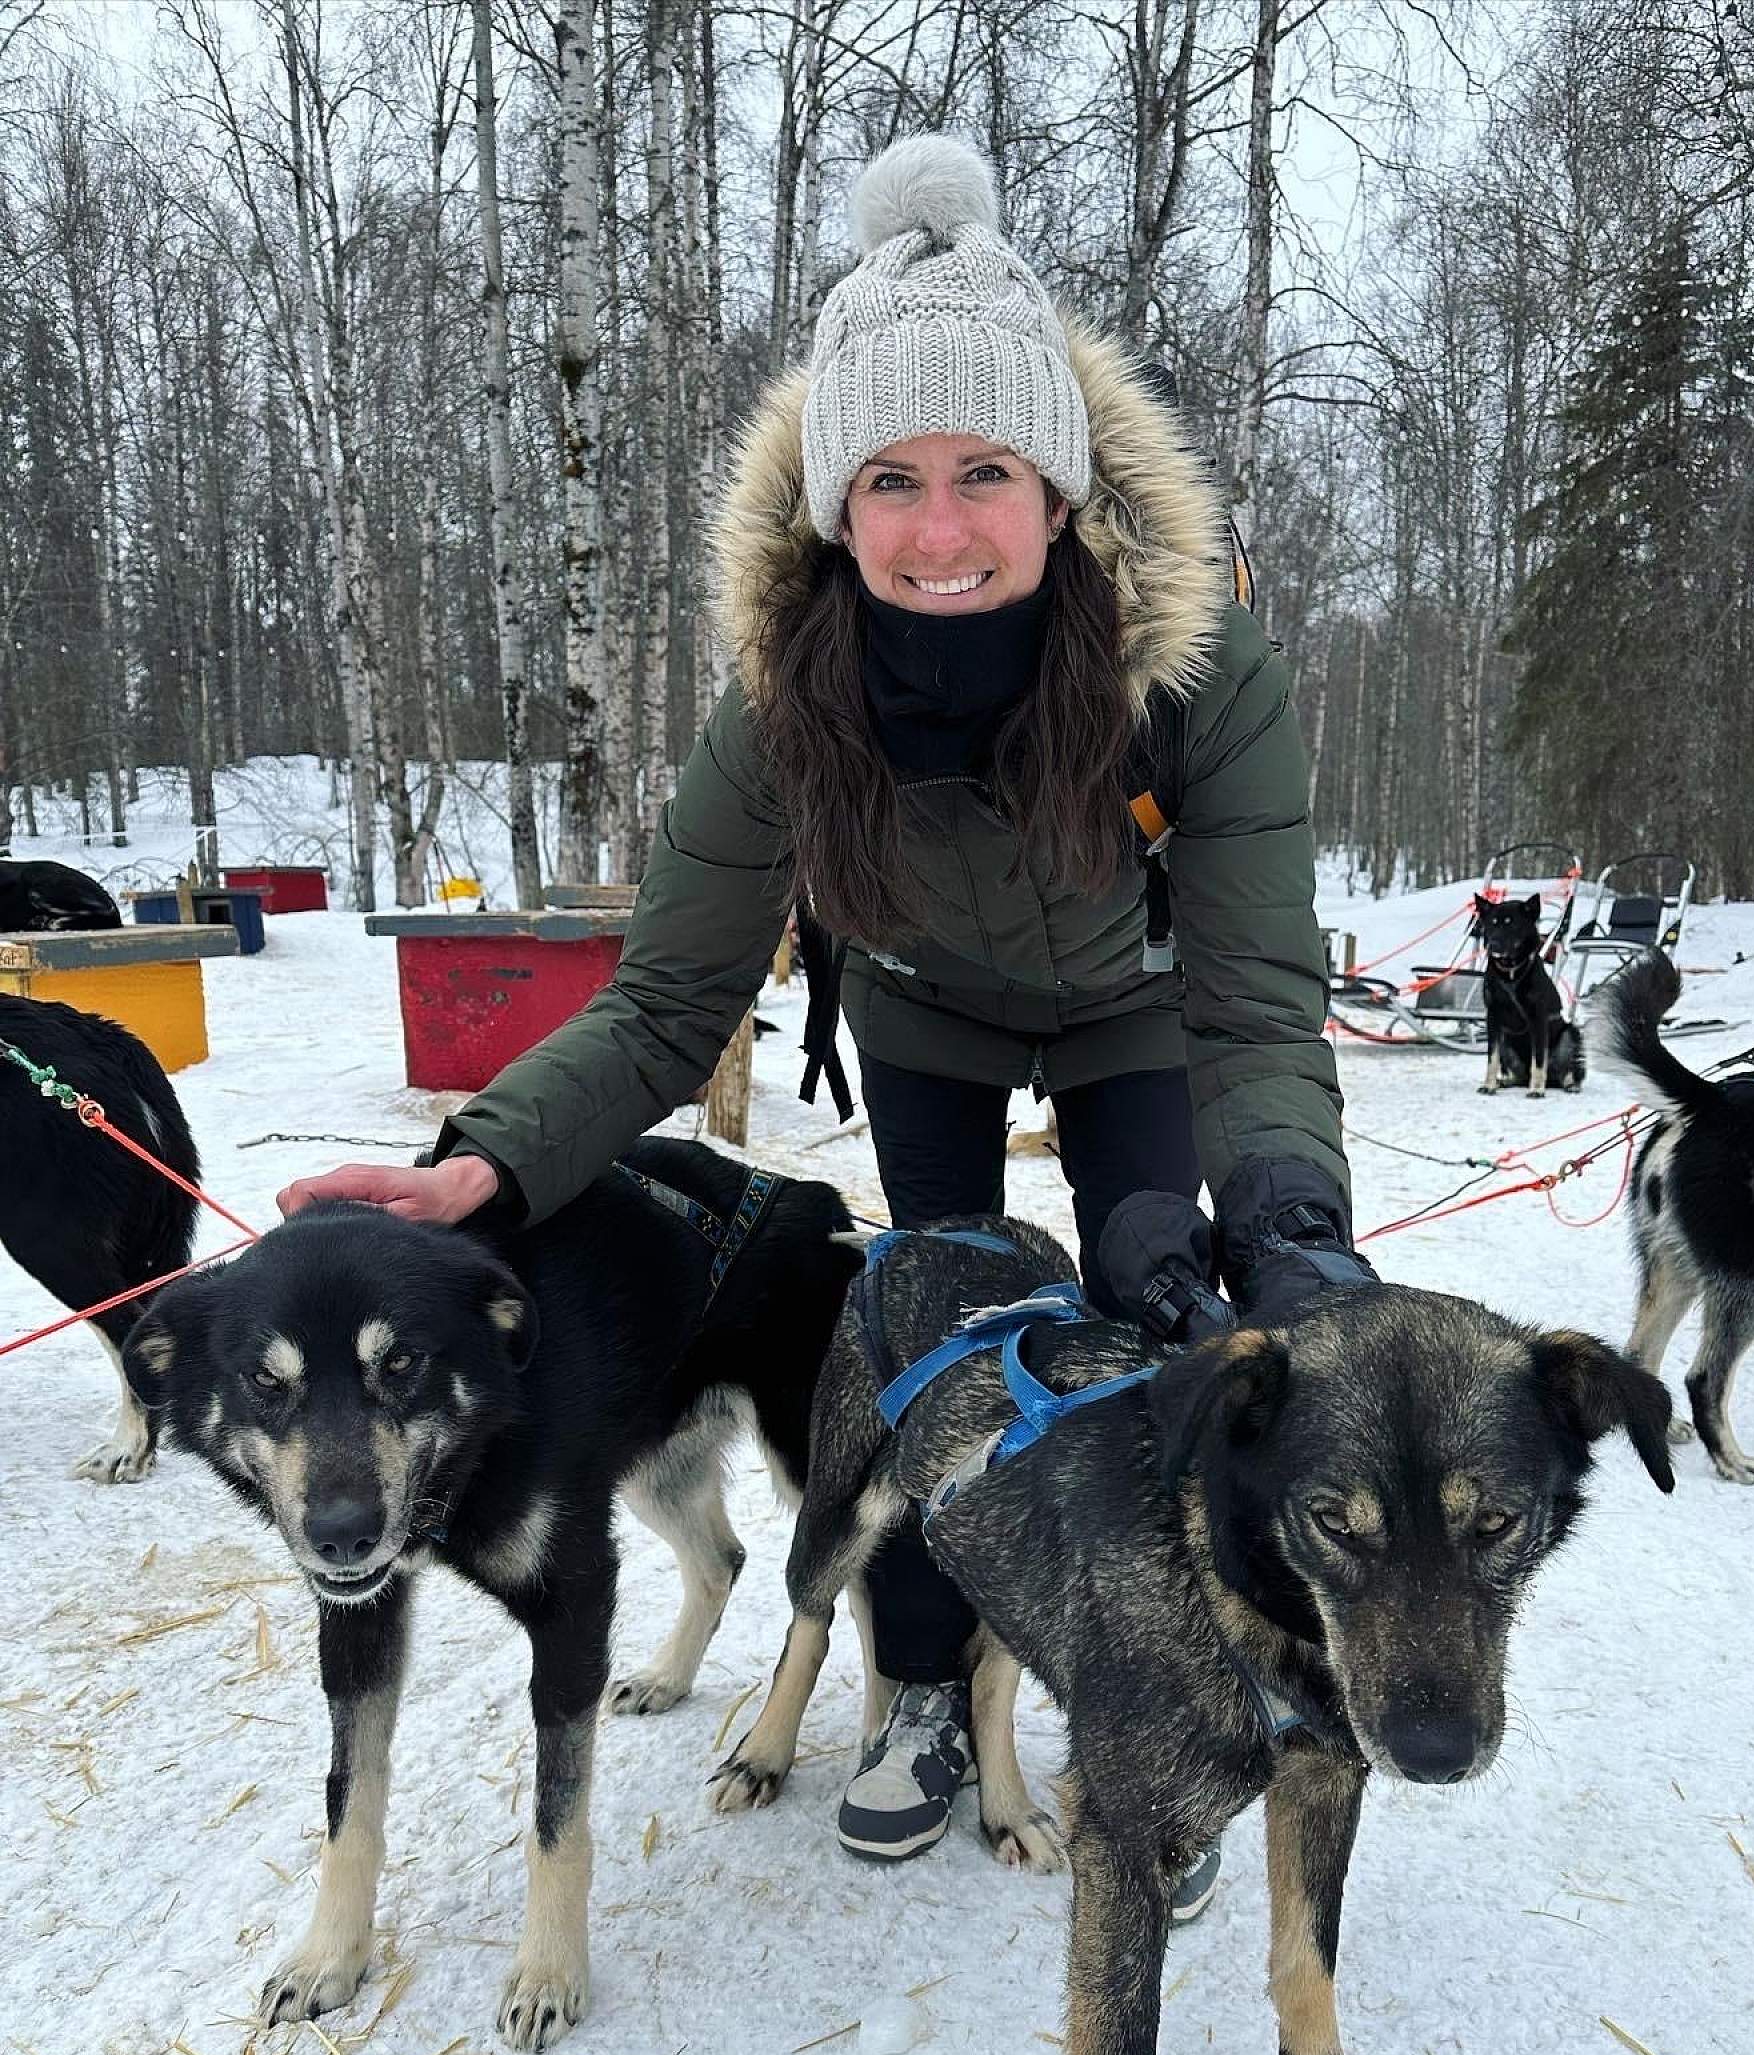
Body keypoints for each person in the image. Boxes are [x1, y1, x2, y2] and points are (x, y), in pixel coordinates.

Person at [281, 134, 1369, 1917]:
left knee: (1166, 1338)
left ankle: (1160, 1702)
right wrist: (485, 1162)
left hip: (1139, 1023)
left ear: (1065, 485)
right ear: (833, 509)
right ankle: (928, 1679)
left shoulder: (1203, 676)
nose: (939, 532)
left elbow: (1255, 1001)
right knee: (936, 1355)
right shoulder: (784, 710)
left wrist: (1290, 1227)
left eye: (984, 473)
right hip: (930, 1023)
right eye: (890, 482)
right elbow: (662, 1009)